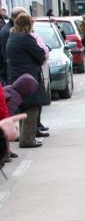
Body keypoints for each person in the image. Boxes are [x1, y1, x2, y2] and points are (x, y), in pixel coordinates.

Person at [6, 13, 48, 149]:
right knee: (32, 107)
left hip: (16, 77)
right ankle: (28, 140)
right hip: (28, 78)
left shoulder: (12, 38)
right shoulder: (26, 39)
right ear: (27, 25)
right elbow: (41, 56)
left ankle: (25, 137)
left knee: (23, 107)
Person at [0, 7, 28, 85]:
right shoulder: (8, 32)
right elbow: (7, 56)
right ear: (18, 18)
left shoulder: (11, 29)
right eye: (24, 17)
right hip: (8, 76)